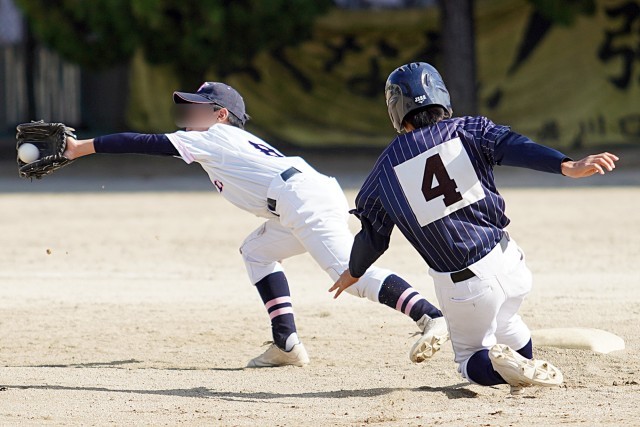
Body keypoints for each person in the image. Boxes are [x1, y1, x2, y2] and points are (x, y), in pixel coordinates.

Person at [62, 81, 450, 368]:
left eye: (200, 107)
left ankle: (430, 316)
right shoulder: (220, 141)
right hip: (295, 199)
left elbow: (143, 143)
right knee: (256, 251)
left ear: (221, 115)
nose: (189, 115)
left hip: (298, 198)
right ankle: (286, 344)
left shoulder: (213, 136)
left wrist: (83, 148)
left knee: (349, 274)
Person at [329, 62, 619, 393]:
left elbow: (374, 237)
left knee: (469, 360)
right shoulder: (469, 129)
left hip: (465, 286)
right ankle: (522, 368)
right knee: (508, 324)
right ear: (441, 96)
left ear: (396, 109)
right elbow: (514, 146)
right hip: (510, 263)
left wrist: (354, 270)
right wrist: (565, 165)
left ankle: (508, 371)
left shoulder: (384, 171)